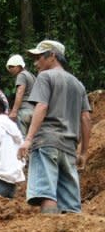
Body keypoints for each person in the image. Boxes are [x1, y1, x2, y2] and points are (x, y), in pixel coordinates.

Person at [18, 40, 92, 214]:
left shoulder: (45, 77)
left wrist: (28, 139)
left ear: (52, 56)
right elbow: (86, 118)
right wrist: (83, 152)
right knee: (71, 204)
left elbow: (41, 107)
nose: (36, 63)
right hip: (69, 147)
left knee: (46, 194)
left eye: (39, 58)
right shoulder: (78, 84)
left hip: (46, 142)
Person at [6, 54, 37, 137]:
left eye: (12, 66)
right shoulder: (32, 76)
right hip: (34, 111)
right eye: (9, 67)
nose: (10, 69)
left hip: (24, 111)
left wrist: (14, 111)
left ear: (19, 66)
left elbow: (20, 92)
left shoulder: (21, 75)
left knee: (20, 139)